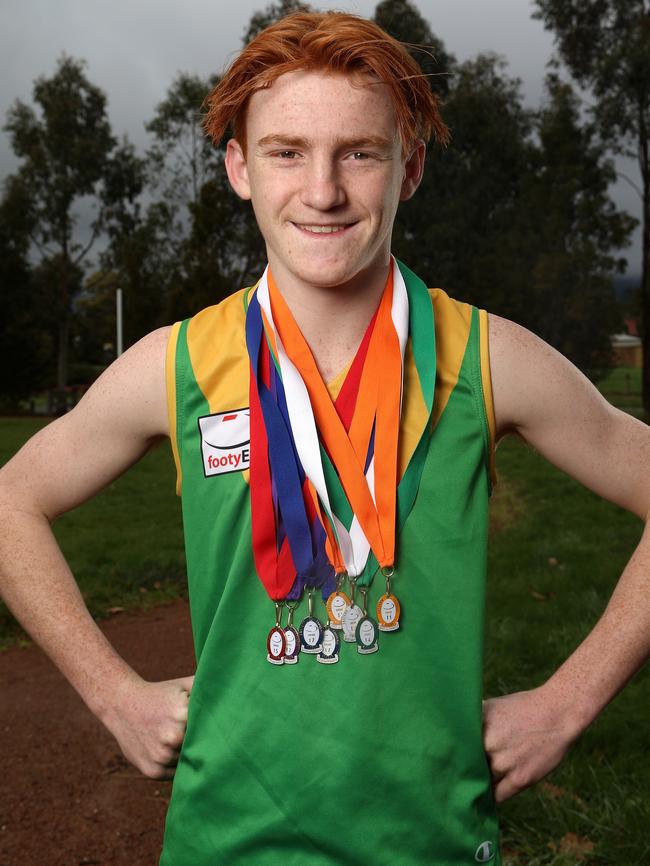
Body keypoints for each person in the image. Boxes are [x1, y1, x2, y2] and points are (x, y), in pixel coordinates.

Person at [1, 11, 649, 866]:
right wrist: (113, 693)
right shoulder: (181, 365)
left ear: (408, 167)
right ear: (239, 167)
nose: (322, 191)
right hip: (225, 840)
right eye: (286, 151)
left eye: (360, 152)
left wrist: (566, 704)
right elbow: (11, 500)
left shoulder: (487, 358)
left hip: (431, 841)